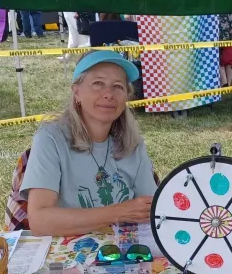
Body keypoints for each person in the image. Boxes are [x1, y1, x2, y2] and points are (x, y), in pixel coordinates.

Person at [21, 51, 157, 236]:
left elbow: (155, 210)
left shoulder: (133, 144)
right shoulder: (51, 139)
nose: (108, 94)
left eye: (118, 86)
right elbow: (40, 221)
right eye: (98, 84)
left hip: (125, 252)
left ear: (126, 96)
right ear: (76, 92)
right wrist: (117, 213)